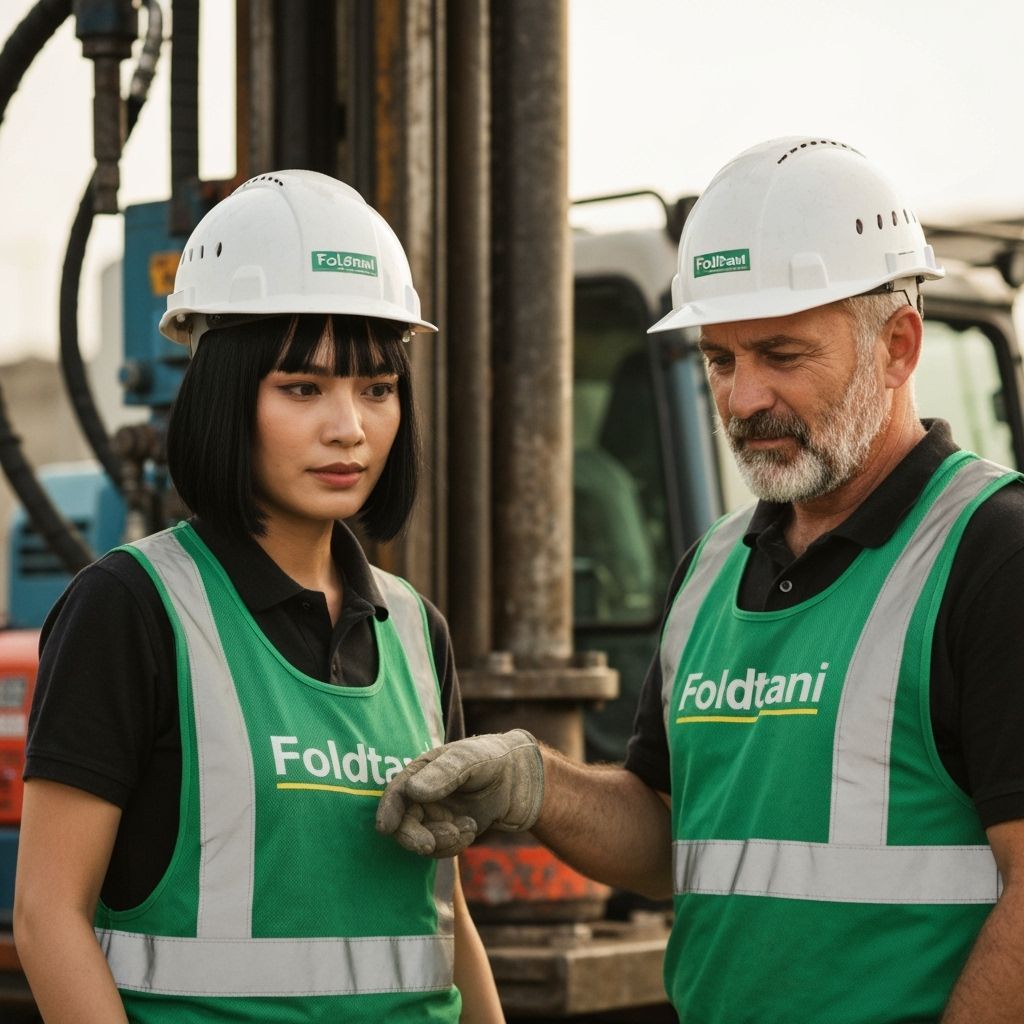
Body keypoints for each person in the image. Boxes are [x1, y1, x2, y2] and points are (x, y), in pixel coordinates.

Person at [375, 137, 1024, 1023]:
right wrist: (535, 783)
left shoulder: (992, 554)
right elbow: (668, 837)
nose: (743, 398)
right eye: (720, 360)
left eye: (782, 355)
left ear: (898, 346)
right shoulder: (716, 566)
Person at [14, 170, 504, 1023]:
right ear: (224, 400)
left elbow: (442, 912)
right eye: (302, 388)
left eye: (377, 390)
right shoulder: (129, 609)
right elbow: (46, 916)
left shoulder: (417, 633)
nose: (348, 425)